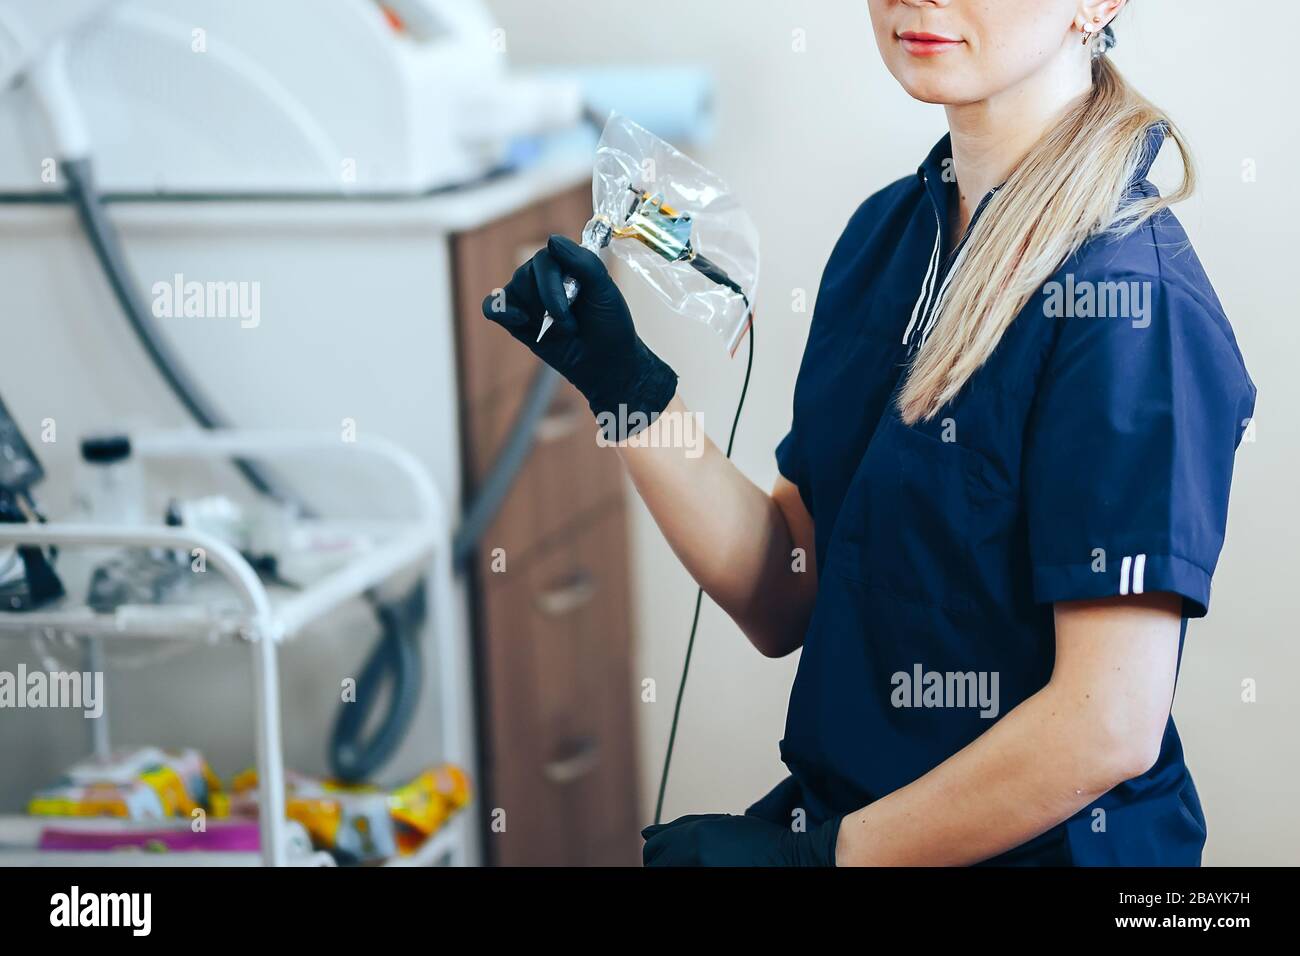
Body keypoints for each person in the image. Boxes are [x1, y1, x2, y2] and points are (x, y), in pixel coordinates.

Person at [482, 0, 1255, 866]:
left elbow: (1108, 723)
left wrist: (820, 861)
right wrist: (626, 391)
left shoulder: (1129, 302)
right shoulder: (886, 240)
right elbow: (785, 586)